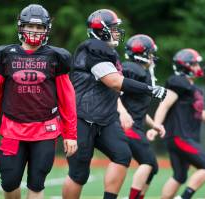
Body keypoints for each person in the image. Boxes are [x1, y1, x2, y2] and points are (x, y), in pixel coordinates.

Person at [62, 9, 167, 199]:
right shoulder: (93, 48)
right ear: (101, 30)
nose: (117, 31)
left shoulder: (109, 52)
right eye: (113, 28)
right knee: (79, 173)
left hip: (106, 118)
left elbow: (116, 87)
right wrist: (150, 89)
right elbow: (114, 82)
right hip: (82, 117)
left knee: (122, 155)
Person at [0, 4, 78, 199]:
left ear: (46, 30)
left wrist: (70, 133)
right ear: (21, 27)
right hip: (12, 130)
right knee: (9, 182)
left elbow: (67, 99)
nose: (34, 31)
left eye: (39, 28)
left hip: (45, 130)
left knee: (37, 182)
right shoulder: (6, 56)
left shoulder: (55, 58)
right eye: (30, 27)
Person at [149, 49, 205, 199]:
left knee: (179, 176)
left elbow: (200, 113)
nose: (198, 67)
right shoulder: (179, 82)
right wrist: (156, 126)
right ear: (186, 66)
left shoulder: (192, 88)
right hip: (179, 136)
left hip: (178, 137)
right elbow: (165, 105)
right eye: (195, 64)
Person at [117, 34, 165, 199]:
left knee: (153, 168)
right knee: (148, 163)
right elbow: (112, 93)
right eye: (150, 53)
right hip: (126, 126)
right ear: (143, 53)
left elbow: (139, 108)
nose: (152, 56)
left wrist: (154, 125)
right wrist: (122, 113)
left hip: (136, 125)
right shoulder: (130, 68)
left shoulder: (142, 72)